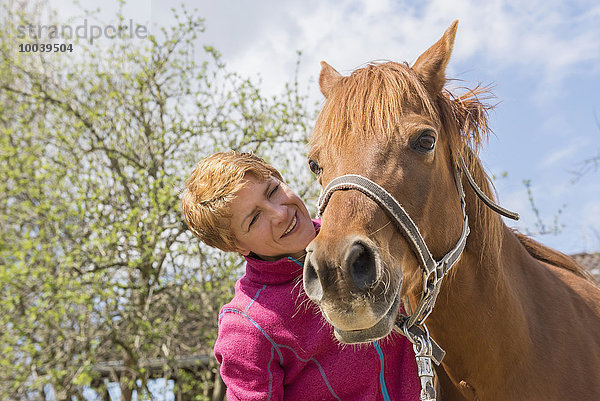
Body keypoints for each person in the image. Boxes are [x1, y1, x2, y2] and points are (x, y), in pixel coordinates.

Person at [181, 151, 420, 401]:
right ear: (237, 245)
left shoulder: (371, 237)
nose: (280, 214)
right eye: (254, 219)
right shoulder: (246, 326)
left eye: (272, 191)